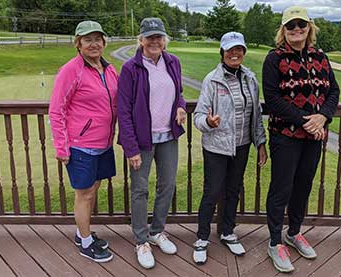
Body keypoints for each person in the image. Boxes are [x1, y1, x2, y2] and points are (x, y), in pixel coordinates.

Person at [262, 6, 340, 273]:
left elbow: (334, 92)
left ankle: (293, 233)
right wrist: (308, 121)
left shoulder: (320, 56)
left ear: (310, 28)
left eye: (302, 25)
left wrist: (324, 117)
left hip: (313, 138)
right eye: (291, 26)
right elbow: (272, 99)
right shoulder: (275, 58)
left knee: (302, 187)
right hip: (285, 136)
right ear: (283, 30)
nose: (297, 29)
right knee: (280, 189)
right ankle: (274, 242)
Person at [117, 17, 187, 269]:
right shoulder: (130, 68)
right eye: (150, 37)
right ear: (141, 40)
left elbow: (179, 93)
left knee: (167, 185)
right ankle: (141, 239)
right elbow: (123, 111)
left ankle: (157, 231)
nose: (155, 41)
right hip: (141, 141)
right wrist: (131, 148)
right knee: (140, 189)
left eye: (159, 36)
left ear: (164, 40)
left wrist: (180, 108)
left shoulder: (173, 62)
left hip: (168, 136)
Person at [192, 31, 268, 265]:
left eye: (239, 49)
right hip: (216, 147)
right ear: (222, 52)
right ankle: (202, 237)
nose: (235, 53)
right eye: (230, 49)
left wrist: (261, 143)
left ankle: (227, 232)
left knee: (233, 190)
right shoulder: (212, 80)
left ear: (244, 52)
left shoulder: (250, 79)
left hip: (242, 146)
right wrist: (208, 122)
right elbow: (198, 115)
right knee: (212, 192)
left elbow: (256, 116)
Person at [49, 20, 117, 263]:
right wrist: (61, 147)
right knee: (84, 193)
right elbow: (56, 110)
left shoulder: (108, 68)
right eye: (87, 39)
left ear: (103, 42)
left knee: (94, 189)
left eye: (97, 39)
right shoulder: (71, 70)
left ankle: (82, 233)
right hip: (81, 146)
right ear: (78, 43)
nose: (94, 44)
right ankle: (86, 243)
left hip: (104, 144)